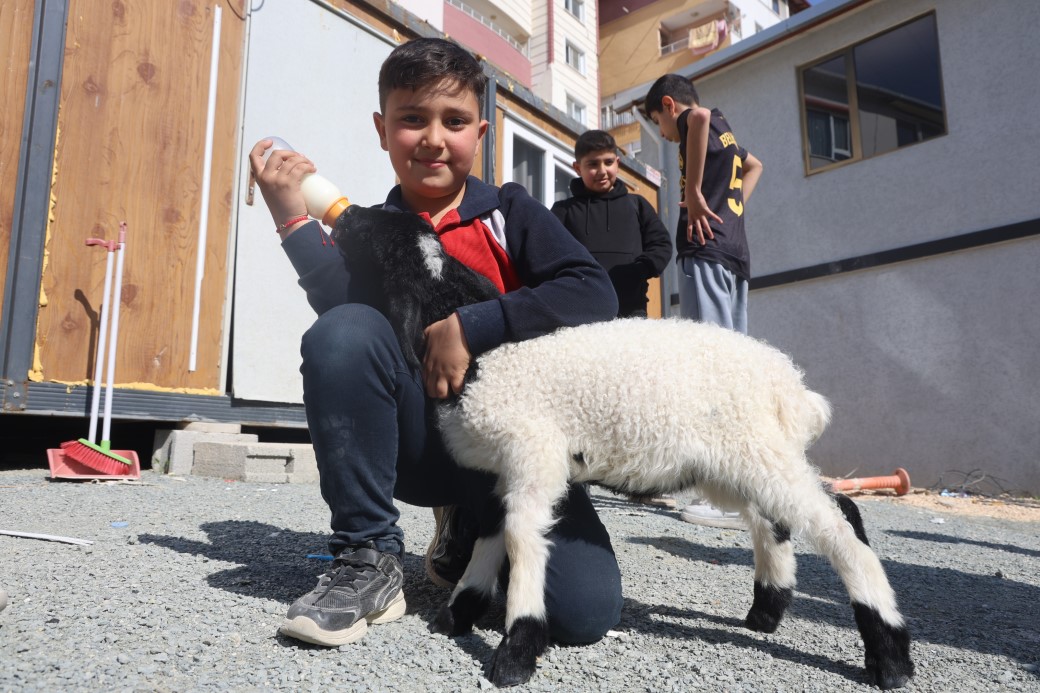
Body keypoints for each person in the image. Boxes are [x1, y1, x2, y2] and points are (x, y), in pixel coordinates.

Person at [249, 37, 623, 649]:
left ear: (481, 131)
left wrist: (470, 326)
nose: (433, 138)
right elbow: (344, 331)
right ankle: (368, 555)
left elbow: (592, 291)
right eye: (412, 119)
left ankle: (472, 523)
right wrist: (293, 219)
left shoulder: (510, 212)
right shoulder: (372, 229)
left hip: (514, 452)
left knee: (581, 614)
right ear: (382, 129)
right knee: (343, 331)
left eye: (454, 121)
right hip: (420, 445)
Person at [644, 73, 763, 529]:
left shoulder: (697, 119)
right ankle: (742, 488)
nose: (662, 132)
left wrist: (694, 193)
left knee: (710, 368)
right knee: (732, 367)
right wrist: (729, 210)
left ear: (668, 105)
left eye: (657, 121)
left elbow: (697, 117)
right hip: (733, 254)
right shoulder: (726, 133)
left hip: (707, 252)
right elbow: (756, 166)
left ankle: (728, 496)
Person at [550, 130, 672, 319]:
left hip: (632, 312)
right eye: (592, 164)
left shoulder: (638, 205)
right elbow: (548, 254)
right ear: (577, 168)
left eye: (608, 162)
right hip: (579, 314)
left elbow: (661, 244)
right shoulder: (562, 211)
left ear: (617, 163)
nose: (602, 171)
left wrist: (640, 269)